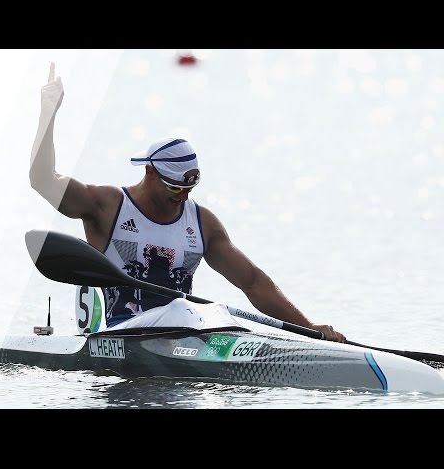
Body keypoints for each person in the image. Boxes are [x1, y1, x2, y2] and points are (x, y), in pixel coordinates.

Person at [29, 62, 346, 343]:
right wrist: (47, 114)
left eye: (189, 188)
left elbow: (252, 282)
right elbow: (43, 180)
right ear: (150, 172)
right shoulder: (106, 205)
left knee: (209, 313)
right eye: (174, 187)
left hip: (183, 337)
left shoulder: (201, 223)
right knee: (185, 309)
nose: (182, 197)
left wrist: (309, 328)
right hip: (123, 334)